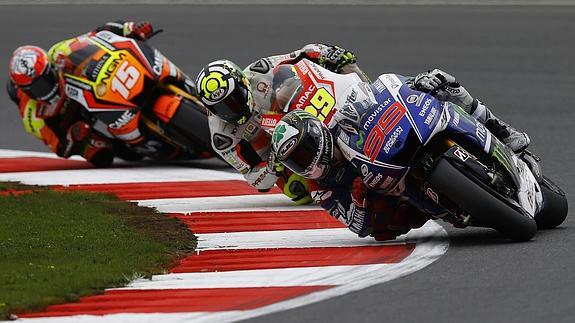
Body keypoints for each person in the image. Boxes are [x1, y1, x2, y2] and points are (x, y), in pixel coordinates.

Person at [270, 68, 531, 241]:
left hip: (393, 148)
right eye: (297, 162)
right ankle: (449, 203)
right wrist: (359, 200)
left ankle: (500, 129)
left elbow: (376, 95)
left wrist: (413, 84)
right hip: (394, 196)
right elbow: (357, 226)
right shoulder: (319, 187)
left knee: (442, 82)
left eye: (304, 152)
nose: (306, 161)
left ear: (318, 133)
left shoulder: (339, 125)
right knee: (383, 230)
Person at [195, 45, 370, 203]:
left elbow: (303, 53)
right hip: (284, 150)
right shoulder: (221, 137)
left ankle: (371, 95)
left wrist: (327, 53)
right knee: (296, 189)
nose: (232, 109)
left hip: (304, 111)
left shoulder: (259, 71)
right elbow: (255, 179)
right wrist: (272, 165)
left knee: (345, 62)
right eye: (222, 107)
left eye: (234, 99)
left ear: (243, 83)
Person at [6, 21, 172, 167]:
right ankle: (137, 144)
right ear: (25, 90)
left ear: (50, 67)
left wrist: (130, 28)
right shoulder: (32, 116)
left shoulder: (59, 52)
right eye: (38, 87)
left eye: (47, 78)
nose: (46, 87)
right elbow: (59, 147)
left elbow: (98, 35)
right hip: (78, 120)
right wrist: (73, 136)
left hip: (89, 88)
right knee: (101, 155)